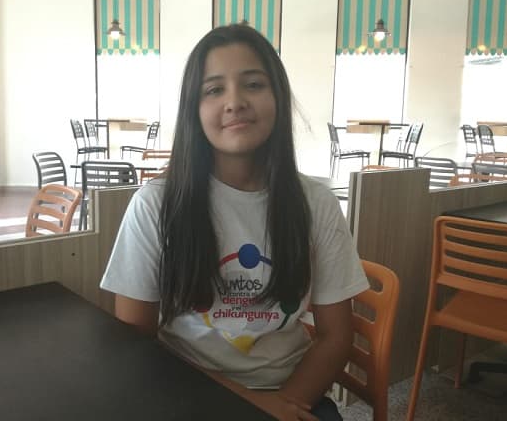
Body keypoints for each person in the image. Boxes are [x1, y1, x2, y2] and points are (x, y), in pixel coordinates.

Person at [100, 24, 369, 421]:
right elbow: (134, 340)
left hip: (288, 392)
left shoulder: (317, 204)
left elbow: (336, 336)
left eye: (253, 84)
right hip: (184, 391)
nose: (235, 102)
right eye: (213, 90)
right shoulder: (155, 205)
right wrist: (246, 404)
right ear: (193, 110)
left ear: (278, 97)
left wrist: (284, 404)